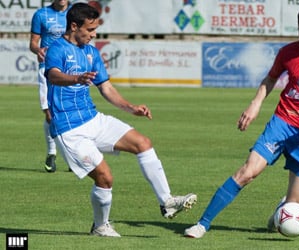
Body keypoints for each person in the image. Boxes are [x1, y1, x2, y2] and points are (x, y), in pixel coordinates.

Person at [184, 6, 299, 238]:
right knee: (248, 172)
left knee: (294, 205)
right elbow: (270, 79)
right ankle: (202, 224)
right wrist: (255, 104)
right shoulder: (288, 52)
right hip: (283, 122)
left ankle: (282, 208)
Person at [44, 3, 197, 237]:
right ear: (74, 26)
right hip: (69, 129)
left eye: (96, 29)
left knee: (142, 143)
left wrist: (130, 107)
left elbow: (106, 88)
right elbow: (53, 76)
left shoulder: (91, 52)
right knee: (105, 178)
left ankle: (167, 201)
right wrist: (76, 78)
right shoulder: (57, 48)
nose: (94, 35)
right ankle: (100, 226)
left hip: (93, 119)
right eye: (90, 29)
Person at [30, 0, 71, 173]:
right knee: (49, 113)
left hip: (69, 68)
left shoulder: (74, 13)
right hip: (46, 68)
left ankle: (72, 155)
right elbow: (33, 43)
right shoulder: (41, 14)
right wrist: (37, 50)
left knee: (68, 113)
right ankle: (52, 153)